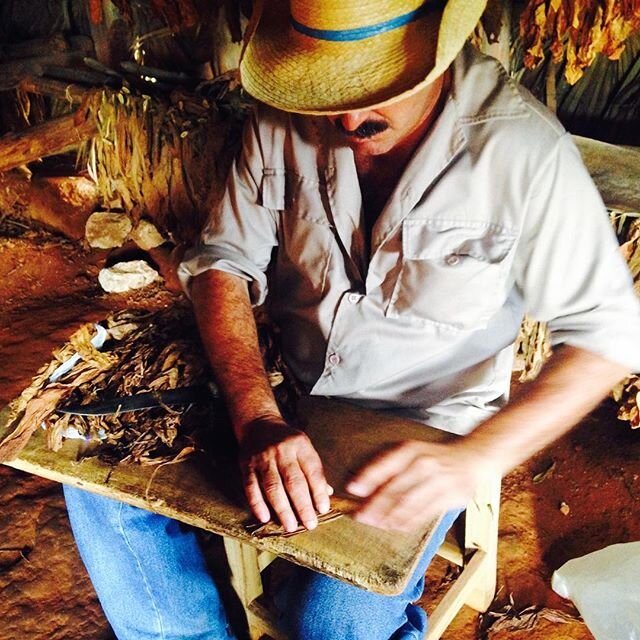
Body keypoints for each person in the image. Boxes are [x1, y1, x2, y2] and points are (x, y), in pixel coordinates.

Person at [64, 0, 640, 638]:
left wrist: (475, 459)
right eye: (332, 90)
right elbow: (221, 260)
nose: (346, 118)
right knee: (95, 485)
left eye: (376, 90)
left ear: (435, 59)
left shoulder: (523, 151)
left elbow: (607, 336)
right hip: (291, 385)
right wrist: (255, 412)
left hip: (428, 428)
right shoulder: (284, 119)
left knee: (331, 625)